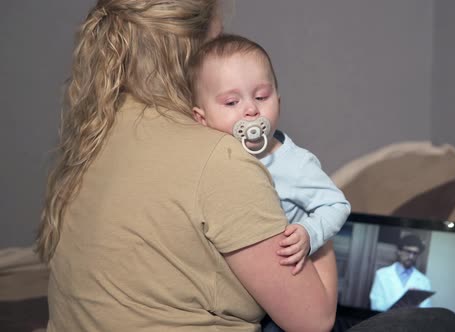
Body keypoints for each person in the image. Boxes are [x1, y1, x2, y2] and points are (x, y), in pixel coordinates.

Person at [35, 1, 338, 331]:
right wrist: (316, 217)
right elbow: (315, 321)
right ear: (189, 54)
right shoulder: (220, 159)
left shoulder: (95, 132)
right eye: (217, 41)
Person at [187, 34, 351, 275]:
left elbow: (337, 205)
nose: (252, 109)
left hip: (281, 275)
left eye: (262, 97)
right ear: (201, 118)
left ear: (278, 102)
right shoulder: (203, 161)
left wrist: (309, 233)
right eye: (232, 102)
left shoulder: (295, 163)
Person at [370, 234, 433, 311]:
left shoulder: (424, 281)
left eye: (415, 253)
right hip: (386, 321)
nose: (411, 257)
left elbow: (426, 311)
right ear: (399, 251)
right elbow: (375, 306)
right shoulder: (382, 274)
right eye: (408, 252)